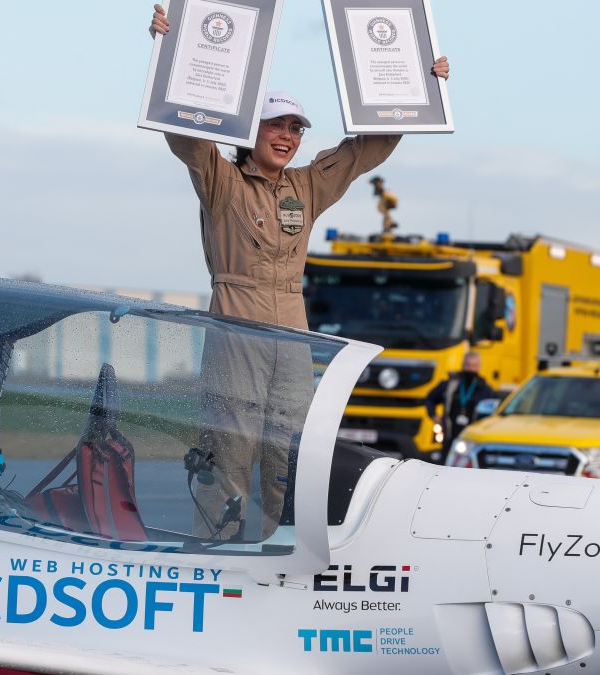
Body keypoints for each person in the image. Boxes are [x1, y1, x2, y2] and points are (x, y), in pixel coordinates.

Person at [149, 4, 450, 539]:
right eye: (276, 125)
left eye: (295, 128)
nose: (287, 135)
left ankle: (282, 554)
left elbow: (367, 149)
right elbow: (186, 137)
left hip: (293, 332)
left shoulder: (307, 186)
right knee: (228, 450)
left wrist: (419, 89)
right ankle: (215, 554)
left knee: (291, 452)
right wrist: (169, 49)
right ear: (249, 129)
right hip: (236, 325)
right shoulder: (222, 180)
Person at [425, 350, 495, 456]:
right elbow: (430, 398)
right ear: (462, 365)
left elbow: (494, 410)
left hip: (472, 440)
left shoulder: (485, 390)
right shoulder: (449, 385)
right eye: (468, 365)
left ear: (479, 367)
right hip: (449, 437)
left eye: (474, 366)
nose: (470, 369)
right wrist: (433, 415)